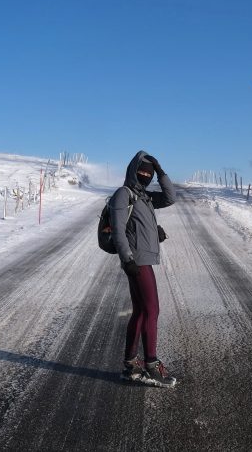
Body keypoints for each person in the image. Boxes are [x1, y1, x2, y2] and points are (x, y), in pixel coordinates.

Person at [109, 150, 177, 387]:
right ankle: (150, 365)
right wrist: (127, 259)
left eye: (150, 172)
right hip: (136, 261)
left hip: (143, 258)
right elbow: (119, 231)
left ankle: (130, 365)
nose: (146, 175)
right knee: (152, 311)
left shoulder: (145, 198)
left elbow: (170, 198)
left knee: (140, 311)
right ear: (132, 171)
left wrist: (161, 172)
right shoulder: (123, 194)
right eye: (143, 171)